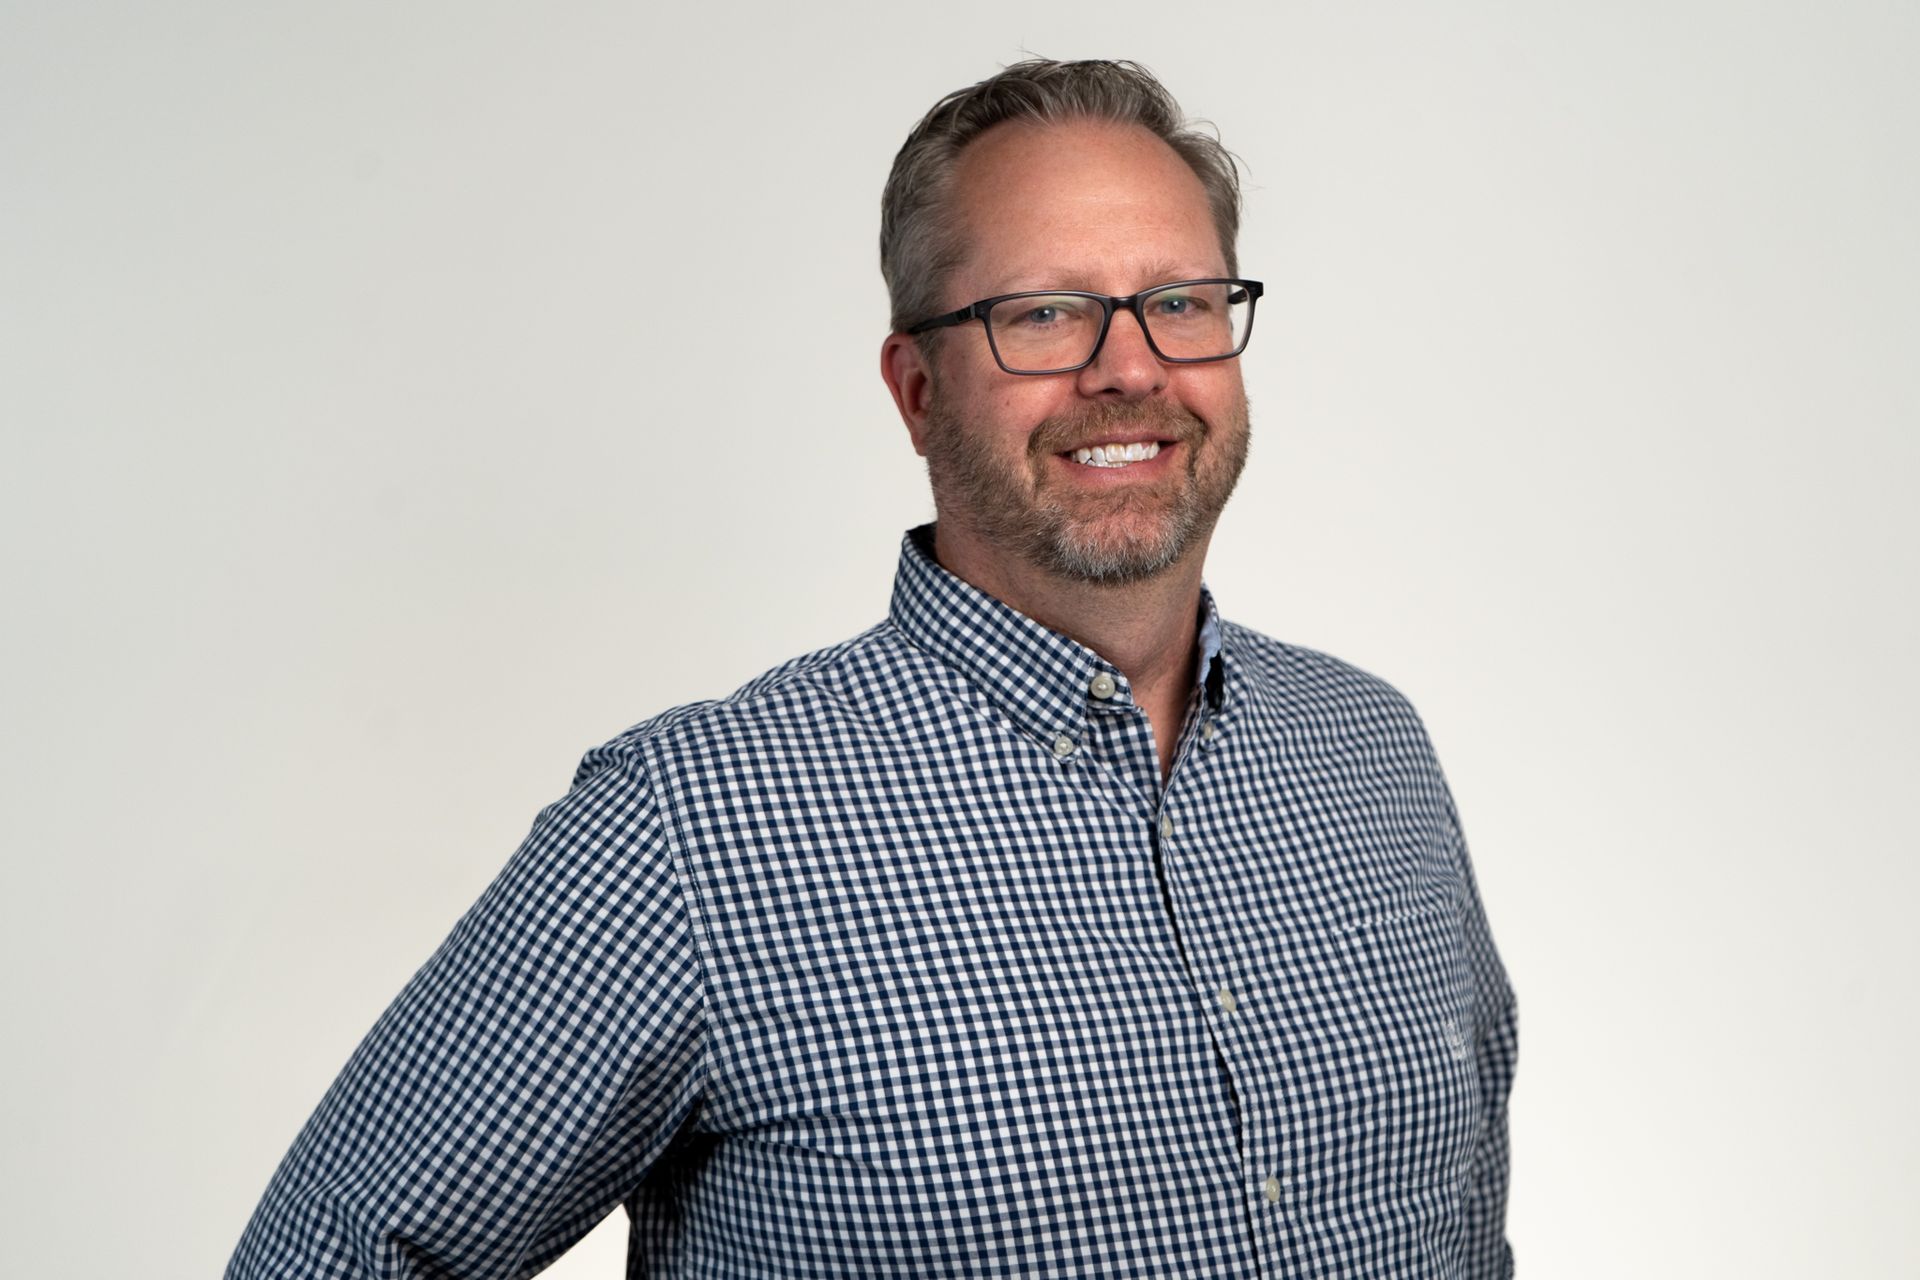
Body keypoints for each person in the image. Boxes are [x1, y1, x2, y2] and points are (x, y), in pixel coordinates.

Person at [228, 58, 1516, 1278]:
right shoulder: (690, 833)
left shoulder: (1374, 754)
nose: (1129, 368)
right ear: (917, 392)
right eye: (1044, 313)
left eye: (1180, 302)